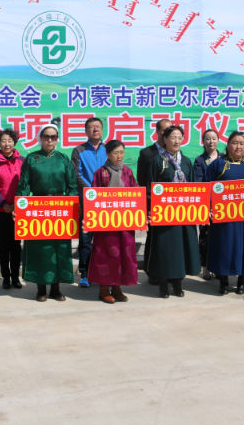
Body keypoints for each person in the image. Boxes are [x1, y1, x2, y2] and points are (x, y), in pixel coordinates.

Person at [17, 124, 78, 302]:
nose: (50, 140)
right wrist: (20, 208)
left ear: (57, 139)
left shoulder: (63, 159)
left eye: (53, 136)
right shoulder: (31, 158)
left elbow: (72, 186)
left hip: (60, 209)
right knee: (41, 249)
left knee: (59, 248)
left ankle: (56, 289)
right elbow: (24, 186)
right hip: (38, 208)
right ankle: (41, 289)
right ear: (40, 138)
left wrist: (71, 206)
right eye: (46, 136)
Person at [206, 131, 244, 295]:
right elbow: (206, 187)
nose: (238, 146)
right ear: (227, 145)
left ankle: (242, 281)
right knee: (224, 247)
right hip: (223, 218)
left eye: (241, 143)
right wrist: (209, 208)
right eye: (234, 143)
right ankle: (223, 281)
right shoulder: (218, 164)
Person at [147, 126, 201, 298]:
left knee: (181, 249)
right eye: (173, 137)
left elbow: (193, 187)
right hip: (165, 214)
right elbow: (150, 188)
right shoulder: (157, 160)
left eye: (179, 137)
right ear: (165, 139)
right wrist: (150, 210)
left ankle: (178, 283)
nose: (176, 141)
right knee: (165, 249)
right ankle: (163, 284)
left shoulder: (186, 161)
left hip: (184, 214)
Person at [87, 140, 139, 303]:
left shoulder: (128, 172)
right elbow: (93, 197)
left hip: (125, 223)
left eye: (122, 152)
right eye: (116, 153)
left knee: (123, 254)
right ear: (108, 154)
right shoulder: (100, 173)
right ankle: (103, 289)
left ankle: (117, 287)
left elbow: (136, 194)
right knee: (106, 255)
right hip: (106, 225)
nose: (119, 156)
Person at [0, 128, 25, 290]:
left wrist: (17, 205)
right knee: (3, 245)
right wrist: (4, 204)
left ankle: (15, 277)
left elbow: (25, 184)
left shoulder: (22, 160)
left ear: (14, 142)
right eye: (3, 141)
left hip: (18, 210)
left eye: (10, 140)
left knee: (16, 245)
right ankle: (6, 277)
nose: (7, 144)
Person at [71, 117, 107, 288]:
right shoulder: (79, 150)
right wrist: (90, 191)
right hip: (87, 201)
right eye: (91, 127)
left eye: (98, 127)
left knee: (105, 240)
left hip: (106, 201)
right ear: (86, 131)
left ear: (103, 129)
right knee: (86, 239)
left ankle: (103, 272)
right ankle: (85, 274)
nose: (95, 130)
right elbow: (76, 174)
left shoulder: (109, 149)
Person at [136, 118, 172, 283]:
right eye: (165, 130)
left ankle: (169, 271)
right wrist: (148, 205)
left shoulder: (175, 153)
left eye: (171, 130)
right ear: (157, 132)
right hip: (153, 204)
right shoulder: (147, 153)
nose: (168, 134)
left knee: (169, 238)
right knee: (153, 238)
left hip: (172, 205)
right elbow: (142, 180)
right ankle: (152, 271)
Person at [193, 128, 220, 280]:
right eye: (208, 139)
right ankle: (205, 267)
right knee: (205, 237)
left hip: (223, 204)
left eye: (214, 138)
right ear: (203, 142)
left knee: (220, 237)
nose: (211, 142)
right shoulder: (199, 160)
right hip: (206, 204)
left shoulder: (224, 158)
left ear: (218, 140)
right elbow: (199, 183)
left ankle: (217, 266)